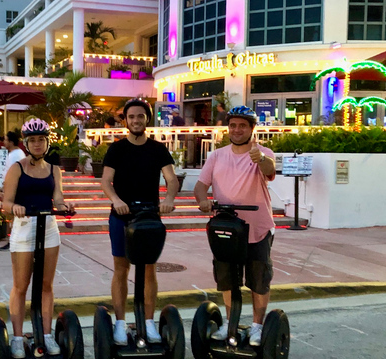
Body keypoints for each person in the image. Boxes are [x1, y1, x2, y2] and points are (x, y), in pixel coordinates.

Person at [193, 105, 276, 346]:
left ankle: (258, 327)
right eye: (233, 125)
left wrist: (260, 158)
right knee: (227, 278)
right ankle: (230, 323)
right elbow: (200, 186)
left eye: (242, 125)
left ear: (251, 128)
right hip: (226, 227)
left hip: (257, 227)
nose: (237, 129)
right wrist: (202, 201)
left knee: (259, 279)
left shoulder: (262, 152)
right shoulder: (217, 155)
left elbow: (270, 169)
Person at [101, 99, 179, 346]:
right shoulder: (117, 149)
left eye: (140, 117)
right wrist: (115, 200)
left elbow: (172, 179)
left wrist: (167, 199)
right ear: (125, 120)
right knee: (121, 269)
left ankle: (148, 321)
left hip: (149, 217)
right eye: (131, 117)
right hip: (122, 216)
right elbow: (106, 181)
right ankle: (121, 323)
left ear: (147, 119)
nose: (136, 121)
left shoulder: (157, 149)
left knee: (148, 270)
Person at [2, 118, 73, 359]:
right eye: (32, 140)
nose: (37, 144)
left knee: (46, 286)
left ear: (47, 142)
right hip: (24, 227)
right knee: (21, 286)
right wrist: (15, 208)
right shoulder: (17, 168)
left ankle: (47, 334)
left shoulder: (54, 169)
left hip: (49, 227)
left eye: (41, 140)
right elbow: (5, 203)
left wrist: (65, 206)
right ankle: (18, 338)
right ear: (26, 143)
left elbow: (58, 198)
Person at [0, 131, 26, 251]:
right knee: (11, 216)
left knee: (12, 215)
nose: (4, 142)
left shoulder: (16, 155)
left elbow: (12, 174)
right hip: (12, 188)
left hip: (14, 189)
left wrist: (6, 188)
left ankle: (14, 239)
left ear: (11, 141)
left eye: (5, 140)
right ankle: (12, 238)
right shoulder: (14, 154)